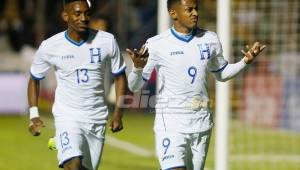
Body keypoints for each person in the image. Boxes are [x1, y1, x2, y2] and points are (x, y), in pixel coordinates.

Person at [126, 0, 266, 170]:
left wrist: (245, 61)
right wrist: (138, 68)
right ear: (173, 13)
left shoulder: (210, 39)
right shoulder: (156, 44)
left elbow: (221, 74)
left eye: (196, 9)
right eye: (189, 9)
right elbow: (134, 87)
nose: (195, 13)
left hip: (201, 124)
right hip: (171, 125)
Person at [27, 0, 126, 170]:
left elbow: (120, 76)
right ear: (65, 16)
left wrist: (118, 113)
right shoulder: (50, 46)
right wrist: (34, 114)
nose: (83, 18)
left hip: (97, 118)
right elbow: (35, 79)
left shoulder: (107, 41)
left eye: (87, 14)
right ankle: (64, 139)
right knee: (73, 165)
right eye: (77, 14)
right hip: (68, 116)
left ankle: (59, 142)